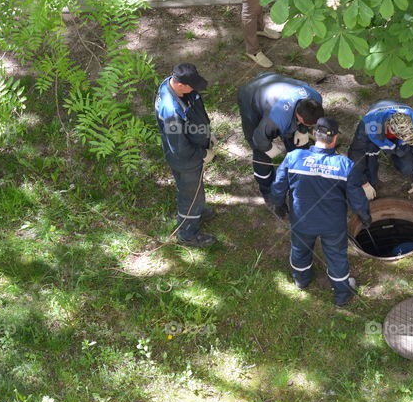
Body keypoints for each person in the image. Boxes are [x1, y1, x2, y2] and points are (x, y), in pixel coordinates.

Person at [269, 117, 371, 307]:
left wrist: (278, 203)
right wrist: (364, 216)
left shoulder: (294, 157)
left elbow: (278, 186)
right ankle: (341, 293)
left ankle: (301, 280)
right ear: (334, 139)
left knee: (300, 250)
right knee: (336, 256)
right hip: (332, 224)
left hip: (302, 220)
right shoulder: (345, 165)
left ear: (314, 135)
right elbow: (357, 198)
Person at [154, 63, 217, 247]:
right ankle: (187, 233)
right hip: (186, 161)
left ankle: (197, 211)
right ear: (180, 85)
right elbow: (179, 147)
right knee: (190, 194)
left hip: (193, 152)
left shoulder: (174, 86)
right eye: (192, 86)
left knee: (195, 188)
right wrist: (202, 154)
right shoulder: (170, 111)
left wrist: (205, 134)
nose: (194, 89)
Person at [237, 72, 324, 200]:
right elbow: (259, 138)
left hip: (273, 85)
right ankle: (268, 193)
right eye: (307, 124)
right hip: (251, 96)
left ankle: (299, 173)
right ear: (299, 117)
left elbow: (307, 119)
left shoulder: (316, 98)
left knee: (297, 143)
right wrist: (267, 148)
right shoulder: (276, 119)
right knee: (261, 153)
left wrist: (303, 129)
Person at [348, 100, 413, 199]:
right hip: (376, 134)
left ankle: (395, 156)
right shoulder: (369, 125)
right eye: (403, 137)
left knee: (408, 168)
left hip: (391, 135)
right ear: (390, 130)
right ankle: (371, 180)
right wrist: (364, 183)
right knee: (370, 177)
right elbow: (356, 153)